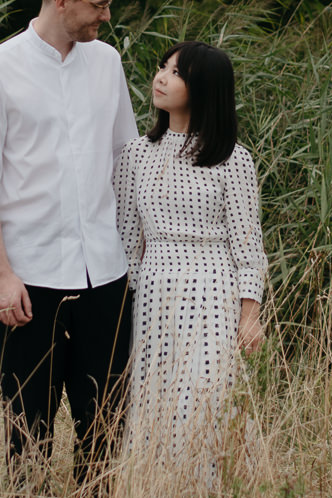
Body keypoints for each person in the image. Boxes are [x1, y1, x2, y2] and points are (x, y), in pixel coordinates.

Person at [0, 0, 138, 489]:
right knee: (28, 426)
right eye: (99, 6)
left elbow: (127, 159)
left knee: (106, 422)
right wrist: (1, 274)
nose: (107, 17)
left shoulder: (107, 63)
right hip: (28, 282)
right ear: (62, 1)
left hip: (105, 276)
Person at [114, 40, 266, 462]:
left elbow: (248, 244)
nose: (161, 77)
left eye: (176, 72)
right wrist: (120, 306)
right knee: (153, 394)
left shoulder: (233, 159)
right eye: (162, 66)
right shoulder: (135, 154)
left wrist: (249, 315)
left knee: (205, 397)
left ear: (205, 87)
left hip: (214, 288)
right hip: (152, 288)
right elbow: (127, 239)